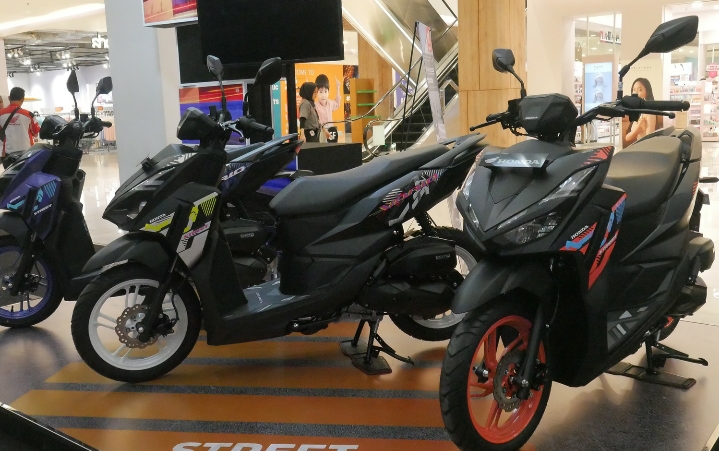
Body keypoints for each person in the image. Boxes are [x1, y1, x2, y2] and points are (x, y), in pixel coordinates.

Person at [0, 87, 40, 157]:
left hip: (8, 153)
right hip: (26, 152)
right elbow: (36, 133)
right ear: (22, 99)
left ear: (9, 98)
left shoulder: (1, 114)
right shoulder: (29, 115)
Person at [624, 78, 663, 146]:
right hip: (638, 147)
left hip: (645, 149)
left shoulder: (649, 113)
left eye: (640, 90)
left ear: (647, 92)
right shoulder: (636, 111)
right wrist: (637, 129)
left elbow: (649, 141)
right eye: (634, 90)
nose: (635, 93)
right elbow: (627, 138)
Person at [314, 74, 341, 142]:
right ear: (317, 92)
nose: (323, 95)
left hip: (331, 132)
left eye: (325, 92)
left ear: (329, 92)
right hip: (321, 133)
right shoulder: (315, 106)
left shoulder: (330, 103)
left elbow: (337, 103)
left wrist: (338, 88)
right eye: (321, 92)